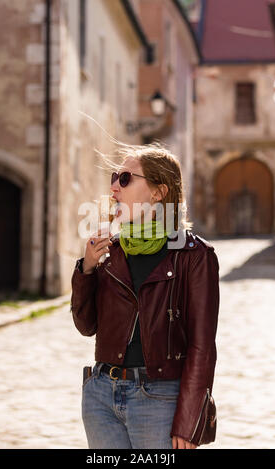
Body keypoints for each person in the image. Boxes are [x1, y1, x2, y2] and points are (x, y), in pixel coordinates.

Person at [70, 143, 220, 449]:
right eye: (114, 176)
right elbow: (86, 326)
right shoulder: (110, 250)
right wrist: (85, 269)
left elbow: (202, 347)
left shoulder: (194, 256)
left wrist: (189, 419)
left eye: (125, 178)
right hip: (101, 395)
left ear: (158, 192)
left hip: (159, 399)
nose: (113, 187)